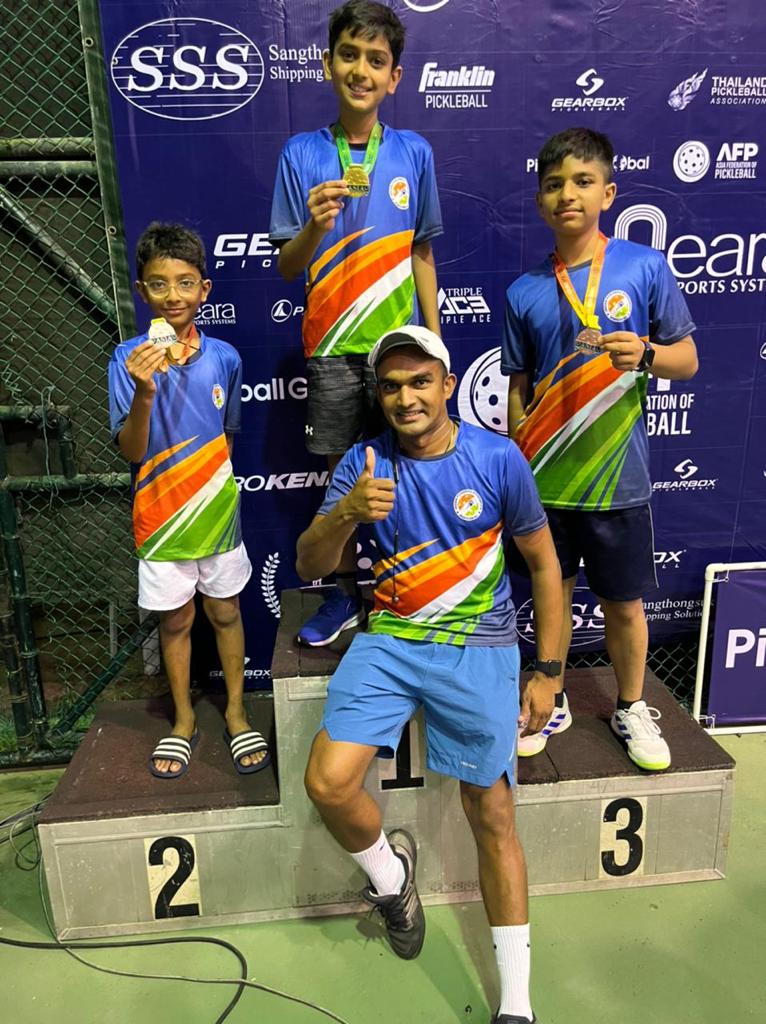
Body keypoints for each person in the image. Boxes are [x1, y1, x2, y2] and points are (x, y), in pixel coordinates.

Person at [297, 326, 563, 1024]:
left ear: (447, 385)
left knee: (493, 813)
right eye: (391, 386)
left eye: (420, 382)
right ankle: (393, 880)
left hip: (479, 644)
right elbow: (308, 564)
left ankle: (516, 1003)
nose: (406, 398)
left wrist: (549, 671)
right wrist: (346, 513)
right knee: (327, 782)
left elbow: (544, 565)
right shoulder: (363, 462)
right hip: (390, 639)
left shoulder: (497, 458)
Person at [502, 127, 699, 771]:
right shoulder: (524, 290)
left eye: (583, 181)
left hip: (620, 481)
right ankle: (549, 696)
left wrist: (646, 353)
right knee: (550, 596)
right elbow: (518, 389)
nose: (569, 194)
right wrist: (518, 457)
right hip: (546, 484)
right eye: (554, 184)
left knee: (624, 603)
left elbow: (688, 360)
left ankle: (631, 705)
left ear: (608, 193)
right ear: (540, 200)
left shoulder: (644, 267)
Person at [270, 0, 443, 648]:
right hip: (332, 349)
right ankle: (344, 595)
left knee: (412, 474)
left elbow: (422, 251)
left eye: (376, 60)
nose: (361, 70)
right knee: (342, 480)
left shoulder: (414, 152)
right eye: (349, 55)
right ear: (328, 64)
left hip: (400, 353)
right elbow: (288, 266)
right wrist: (315, 224)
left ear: (393, 77)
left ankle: (406, 592)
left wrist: (434, 344)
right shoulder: (300, 154)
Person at [108, 223, 269, 778]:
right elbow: (132, 450)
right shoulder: (126, 359)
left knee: (225, 612)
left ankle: (236, 712)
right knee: (175, 623)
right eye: (158, 284)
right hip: (160, 520)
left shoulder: (224, 357)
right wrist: (145, 392)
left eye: (184, 283)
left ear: (204, 290)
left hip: (218, 517)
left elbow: (227, 434)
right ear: (141, 291)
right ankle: (182, 719)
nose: (172, 296)